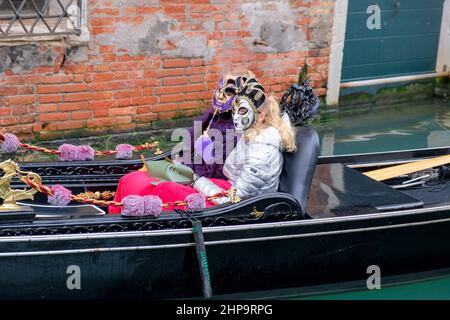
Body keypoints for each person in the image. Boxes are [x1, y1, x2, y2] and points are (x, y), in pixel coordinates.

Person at [109, 76, 296, 213]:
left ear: (261, 116)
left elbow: (234, 199)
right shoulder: (251, 136)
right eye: (235, 110)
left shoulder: (262, 152)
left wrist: (196, 180)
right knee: (135, 180)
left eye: (242, 111)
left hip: (238, 207)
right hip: (225, 189)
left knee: (166, 189)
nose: (236, 116)